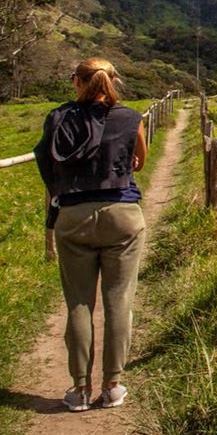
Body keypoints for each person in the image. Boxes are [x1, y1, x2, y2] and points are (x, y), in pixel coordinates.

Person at [33, 58, 148, 412]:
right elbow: (138, 162)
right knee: (119, 302)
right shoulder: (131, 118)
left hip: (73, 217)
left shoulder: (59, 118)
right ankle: (112, 385)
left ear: (77, 83)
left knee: (79, 304)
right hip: (122, 215)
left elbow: (48, 163)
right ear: (113, 82)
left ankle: (79, 389)